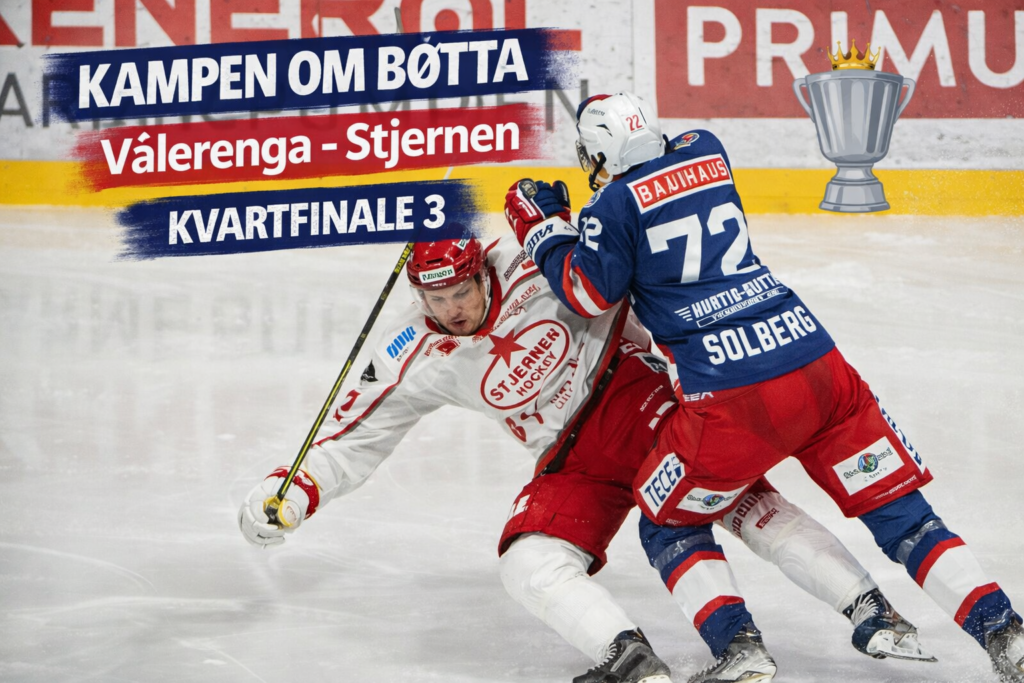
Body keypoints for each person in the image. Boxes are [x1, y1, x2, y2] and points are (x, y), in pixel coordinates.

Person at [239, 235, 934, 683]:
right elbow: (354, 434)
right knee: (527, 559)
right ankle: (629, 658)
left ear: (482, 269)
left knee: (742, 502)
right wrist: (290, 491)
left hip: (637, 394)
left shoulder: (534, 261)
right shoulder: (409, 350)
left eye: (461, 292)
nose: (452, 310)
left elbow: (627, 257)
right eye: (436, 298)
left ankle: (870, 610)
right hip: (571, 456)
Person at [502, 91, 1024, 683]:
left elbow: (589, 293)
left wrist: (545, 228)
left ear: (600, 152)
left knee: (666, 521)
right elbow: (664, 183)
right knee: (904, 517)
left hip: (732, 397)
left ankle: (740, 648)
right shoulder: (707, 148)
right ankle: (1006, 634)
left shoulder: (611, 206)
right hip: (817, 366)